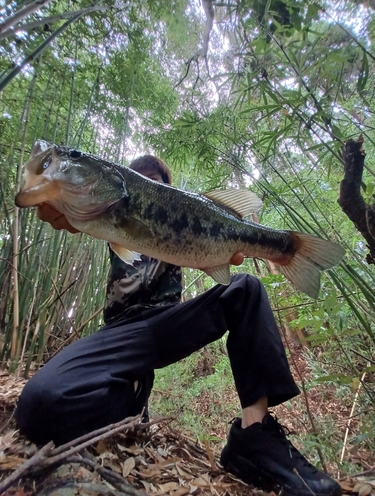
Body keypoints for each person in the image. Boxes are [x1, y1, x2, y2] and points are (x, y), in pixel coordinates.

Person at [15, 155, 342, 496]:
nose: (149, 186)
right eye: (139, 180)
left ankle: (254, 436)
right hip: (118, 333)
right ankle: (124, 405)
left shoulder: (186, 212)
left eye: (158, 183)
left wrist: (218, 250)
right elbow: (75, 213)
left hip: (166, 324)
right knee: (38, 402)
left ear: (170, 190)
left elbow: (206, 255)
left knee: (246, 289)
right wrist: (61, 203)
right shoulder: (101, 214)